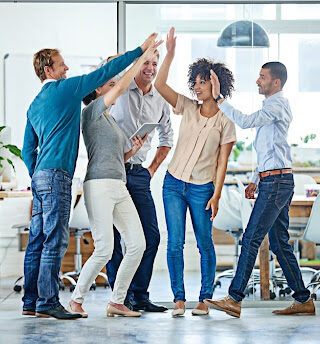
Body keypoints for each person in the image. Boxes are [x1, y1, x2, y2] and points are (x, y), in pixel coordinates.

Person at [21, 34, 157, 320]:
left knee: (37, 240)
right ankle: (48, 302)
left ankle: (31, 302)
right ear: (48, 71)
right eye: (61, 65)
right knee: (55, 241)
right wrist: (140, 51)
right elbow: (107, 73)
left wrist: (37, 176)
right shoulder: (66, 90)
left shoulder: (34, 105)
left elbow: (26, 150)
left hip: (42, 176)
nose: (66, 68)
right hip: (58, 174)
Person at [205, 62, 315, 317]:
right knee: (279, 243)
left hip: (277, 183)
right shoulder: (271, 108)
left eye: (262, 77)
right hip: (274, 180)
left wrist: (220, 98)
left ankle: (234, 298)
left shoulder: (276, 105)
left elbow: (244, 121)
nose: (257, 81)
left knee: (252, 238)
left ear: (276, 82)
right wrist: (256, 177)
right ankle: (303, 299)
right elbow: (269, 149)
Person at [67, 42, 162, 318]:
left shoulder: (110, 121)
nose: (115, 86)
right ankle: (76, 300)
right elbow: (121, 87)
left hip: (119, 183)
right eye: (110, 84)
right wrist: (140, 57)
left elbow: (122, 155)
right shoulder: (92, 113)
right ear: (98, 91)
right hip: (98, 184)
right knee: (105, 248)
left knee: (138, 243)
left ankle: (117, 301)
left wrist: (137, 145)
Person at [154, 27, 236, 317]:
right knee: (175, 242)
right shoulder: (187, 107)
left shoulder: (227, 120)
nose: (198, 87)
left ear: (217, 85)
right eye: (196, 82)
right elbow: (160, 85)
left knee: (204, 243)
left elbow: (221, 163)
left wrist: (216, 195)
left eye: (204, 82)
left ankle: (204, 298)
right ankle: (178, 299)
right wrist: (170, 54)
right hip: (173, 183)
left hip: (202, 188)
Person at [105, 38, 174, 314]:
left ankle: (139, 295)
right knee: (113, 240)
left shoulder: (159, 99)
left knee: (151, 236)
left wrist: (152, 169)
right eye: (146, 62)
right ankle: (119, 297)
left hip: (138, 174)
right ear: (135, 65)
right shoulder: (119, 89)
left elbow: (167, 137)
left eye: (155, 63)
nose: (151, 68)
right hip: (112, 172)